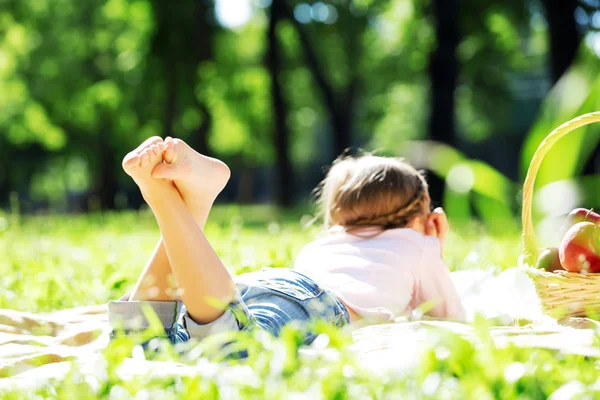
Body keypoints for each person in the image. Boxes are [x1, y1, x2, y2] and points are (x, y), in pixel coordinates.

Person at [108, 137, 465, 346]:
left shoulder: (322, 245)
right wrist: (435, 247)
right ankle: (163, 197)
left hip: (263, 283)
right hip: (319, 305)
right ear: (423, 218)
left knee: (141, 344)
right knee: (233, 347)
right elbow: (451, 319)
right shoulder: (419, 245)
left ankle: (195, 203)